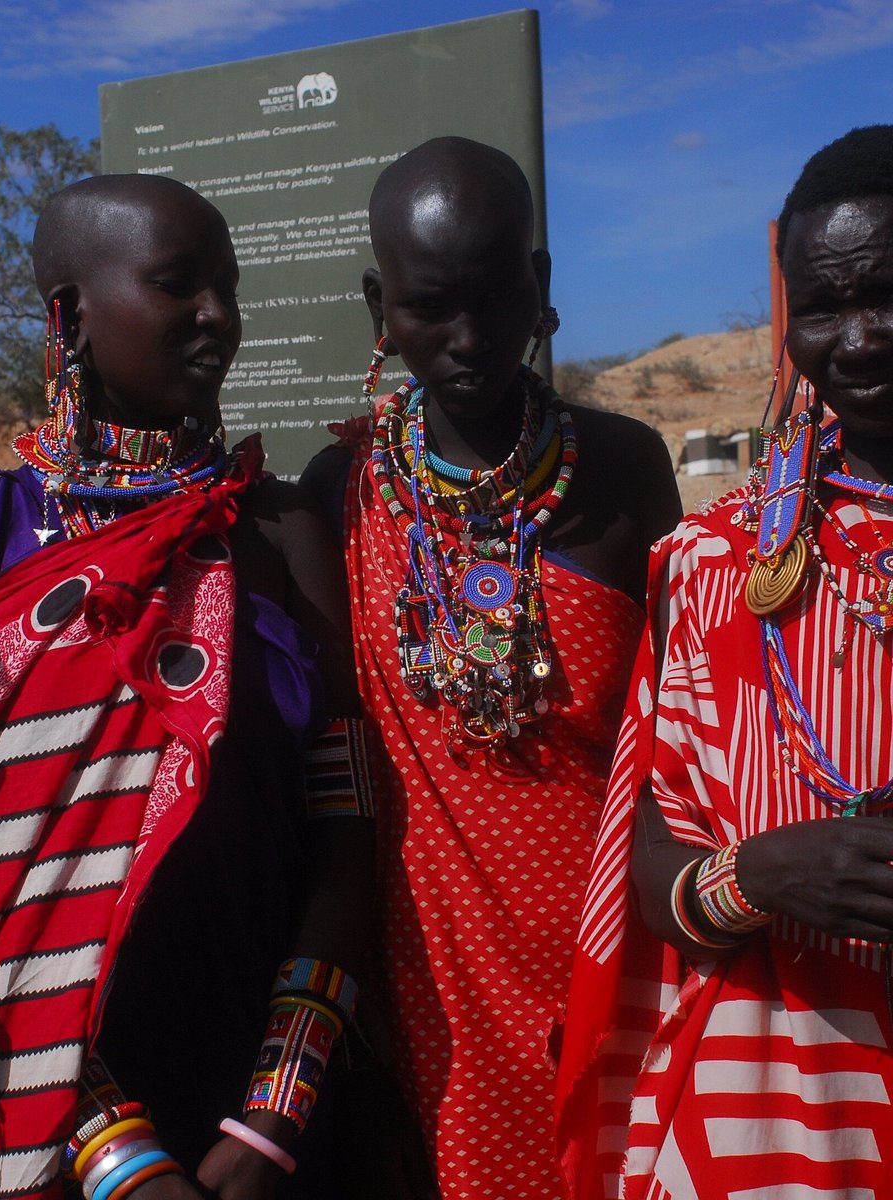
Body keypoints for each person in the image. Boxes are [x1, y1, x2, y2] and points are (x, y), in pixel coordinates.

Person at [0, 173, 373, 1200]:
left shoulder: (278, 532)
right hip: (38, 1108)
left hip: (266, 1091)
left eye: (228, 287)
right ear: (69, 314)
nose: (219, 317)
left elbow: (346, 825)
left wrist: (275, 1115)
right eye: (178, 285)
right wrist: (116, 1153)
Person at [301, 137, 681, 1198]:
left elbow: (686, 719)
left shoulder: (623, 467)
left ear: (541, 282)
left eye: (496, 294)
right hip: (435, 971)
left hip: (622, 950)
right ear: (381, 303)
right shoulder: (341, 490)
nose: (469, 338)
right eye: (431, 306)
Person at [556, 123, 893, 1200]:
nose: (859, 337)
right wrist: (760, 874)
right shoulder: (717, 560)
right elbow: (651, 873)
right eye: (824, 306)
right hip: (777, 1110)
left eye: (886, 292)